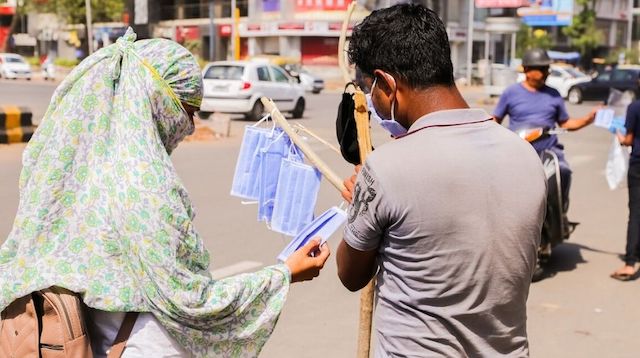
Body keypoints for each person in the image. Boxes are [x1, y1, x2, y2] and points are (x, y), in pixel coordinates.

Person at [0, 28, 329, 357]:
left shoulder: (69, 169)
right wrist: (285, 274)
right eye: (187, 111)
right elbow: (191, 302)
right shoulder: (144, 185)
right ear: (157, 100)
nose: (189, 126)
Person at [336, 4, 546, 357]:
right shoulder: (525, 154)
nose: (371, 101)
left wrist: (359, 201)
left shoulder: (387, 167)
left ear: (388, 84)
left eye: (370, 89)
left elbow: (351, 274)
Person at [493, 48, 598, 232]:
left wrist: (587, 120)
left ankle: (560, 211)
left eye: (546, 69)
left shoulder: (554, 94)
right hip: (519, 153)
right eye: (540, 69)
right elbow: (495, 120)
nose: (545, 73)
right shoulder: (511, 93)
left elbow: (565, 122)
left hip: (548, 152)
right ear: (526, 70)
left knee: (563, 172)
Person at [611, 100, 640, 281]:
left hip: (638, 165)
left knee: (636, 212)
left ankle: (630, 263)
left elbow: (628, 139)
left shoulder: (635, 107)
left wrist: (620, 136)